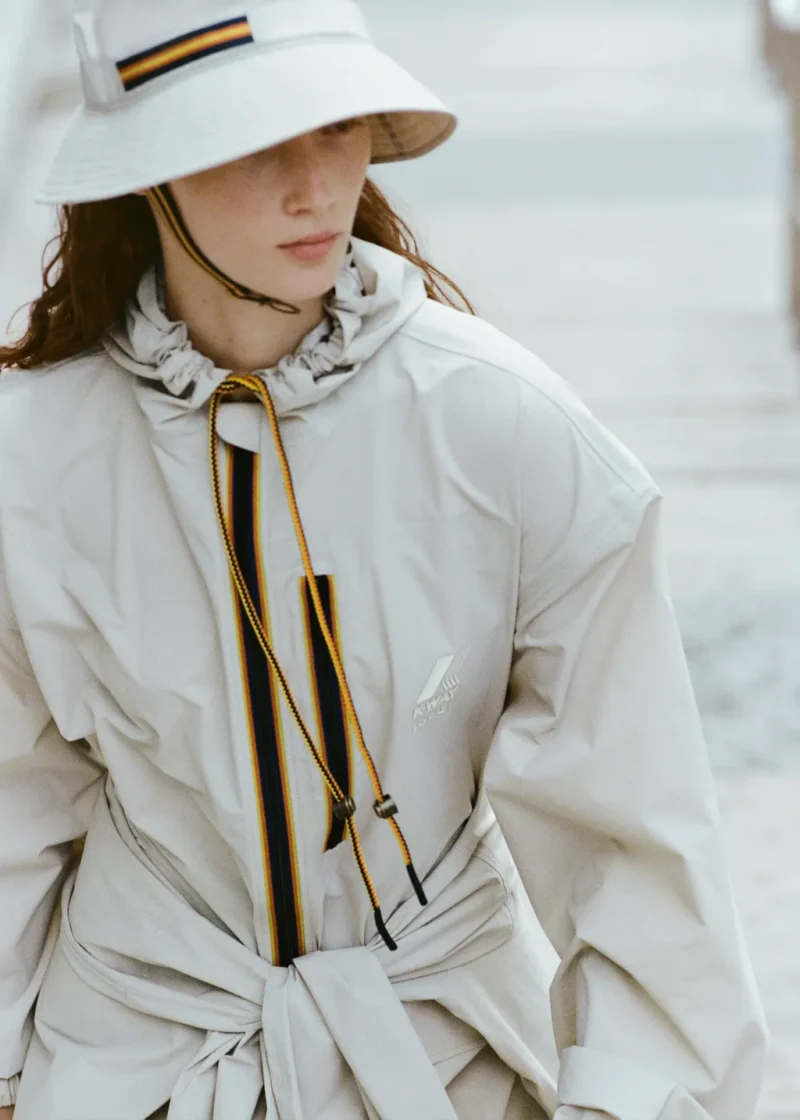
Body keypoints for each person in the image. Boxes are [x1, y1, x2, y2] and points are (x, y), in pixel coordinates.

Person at [0, 1, 768, 1118]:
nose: (317, 184)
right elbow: (15, 808)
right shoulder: (32, 460)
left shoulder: (506, 430)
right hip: (132, 1068)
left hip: (441, 1064)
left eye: (338, 125)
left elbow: (635, 838)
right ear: (150, 172)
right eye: (257, 141)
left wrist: (627, 1101)